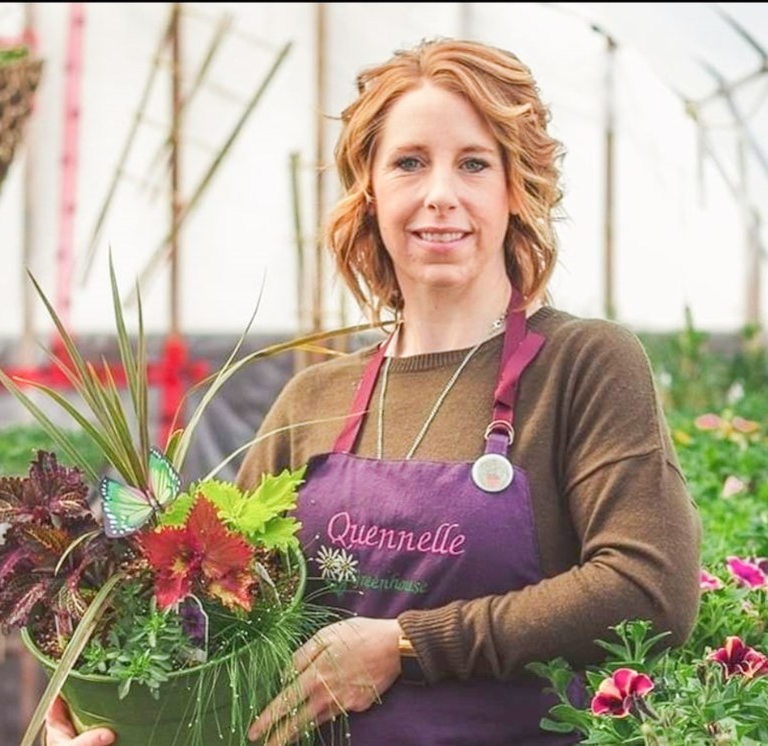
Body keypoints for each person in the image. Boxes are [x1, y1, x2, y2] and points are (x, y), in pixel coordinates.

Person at [47, 37, 701, 746]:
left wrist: (404, 643)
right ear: (372, 192)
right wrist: (120, 720)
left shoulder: (583, 365)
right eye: (409, 163)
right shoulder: (311, 399)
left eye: (474, 163)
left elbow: (648, 590)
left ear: (515, 191)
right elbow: (231, 632)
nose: (440, 195)